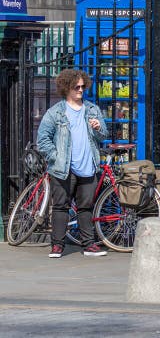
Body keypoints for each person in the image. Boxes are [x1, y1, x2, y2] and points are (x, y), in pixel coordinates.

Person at [37, 68, 109, 258]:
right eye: (76, 87)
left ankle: (89, 245)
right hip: (63, 168)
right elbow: (43, 139)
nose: (80, 90)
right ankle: (57, 246)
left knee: (86, 207)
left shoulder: (92, 109)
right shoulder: (56, 113)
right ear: (66, 88)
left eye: (82, 86)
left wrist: (98, 128)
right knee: (61, 206)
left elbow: (104, 135)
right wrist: (56, 156)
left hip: (88, 166)